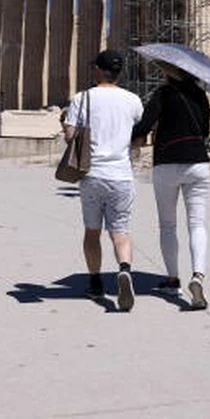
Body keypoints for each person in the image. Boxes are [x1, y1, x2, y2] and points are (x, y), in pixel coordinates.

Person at [62, 49, 143, 311]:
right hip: (121, 175)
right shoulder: (133, 100)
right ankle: (124, 270)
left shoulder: (82, 98)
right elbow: (140, 138)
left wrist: (65, 124)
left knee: (92, 231)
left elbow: (70, 136)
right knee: (120, 232)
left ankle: (95, 282)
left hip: (92, 174)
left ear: (98, 70)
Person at [131, 65, 210, 310]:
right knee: (197, 224)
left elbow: (144, 127)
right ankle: (197, 276)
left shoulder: (163, 94)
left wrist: (131, 135)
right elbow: (206, 131)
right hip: (198, 163)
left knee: (168, 225)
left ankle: (173, 279)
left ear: (170, 72)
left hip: (166, 162)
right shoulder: (201, 96)